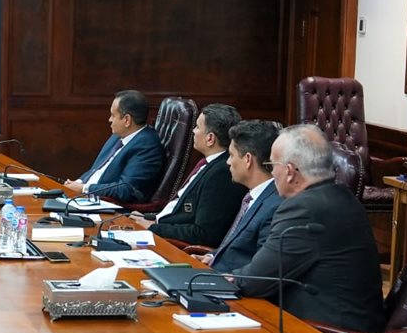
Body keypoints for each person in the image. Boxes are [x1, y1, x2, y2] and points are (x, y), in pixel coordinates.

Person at [228, 124, 385, 332]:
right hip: (346, 324)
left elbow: (256, 280)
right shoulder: (342, 197)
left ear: (290, 171)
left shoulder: (303, 209)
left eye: (272, 165)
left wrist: (224, 279)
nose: (271, 172)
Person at [146, 104, 246, 246]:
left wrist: (153, 228)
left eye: (198, 127)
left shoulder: (222, 174)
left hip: (171, 243)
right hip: (157, 224)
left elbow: (203, 233)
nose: (193, 130)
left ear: (210, 138)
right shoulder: (208, 163)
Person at [200, 120, 283, 272]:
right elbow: (237, 247)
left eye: (231, 155)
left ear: (248, 159)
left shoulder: (275, 206)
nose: (228, 162)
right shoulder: (253, 195)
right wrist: (212, 256)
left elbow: (262, 268)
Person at [64, 90, 163, 204]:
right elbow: (96, 170)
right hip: (85, 198)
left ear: (127, 120)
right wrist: (77, 183)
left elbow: (126, 190)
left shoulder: (147, 146)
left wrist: (84, 189)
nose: (109, 120)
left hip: (107, 206)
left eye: (113, 115)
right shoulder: (119, 135)